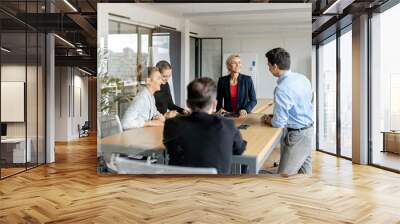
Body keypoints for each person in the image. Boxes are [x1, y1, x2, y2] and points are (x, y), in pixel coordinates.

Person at [163, 77, 247, 174]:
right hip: (216, 187)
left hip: (179, 186)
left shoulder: (171, 125)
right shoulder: (227, 125)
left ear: (187, 104)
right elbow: (239, 150)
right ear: (215, 104)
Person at [261, 48, 314, 176]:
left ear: (275, 66)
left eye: (268, 65)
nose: (268, 69)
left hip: (296, 135)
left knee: (283, 177)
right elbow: (302, 104)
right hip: (307, 130)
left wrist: (268, 119)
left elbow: (279, 123)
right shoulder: (303, 79)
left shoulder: (282, 89)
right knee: (304, 174)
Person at [216, 54, 257, 118]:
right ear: (229, 66)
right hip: (228, 116)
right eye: (234, 63)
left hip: (243, 116)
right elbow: (218, 100)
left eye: (239, 62)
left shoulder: (247, 80)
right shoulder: (222, 81)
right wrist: (220, 109)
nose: (238, 65)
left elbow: (253, 100)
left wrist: (245, 109)